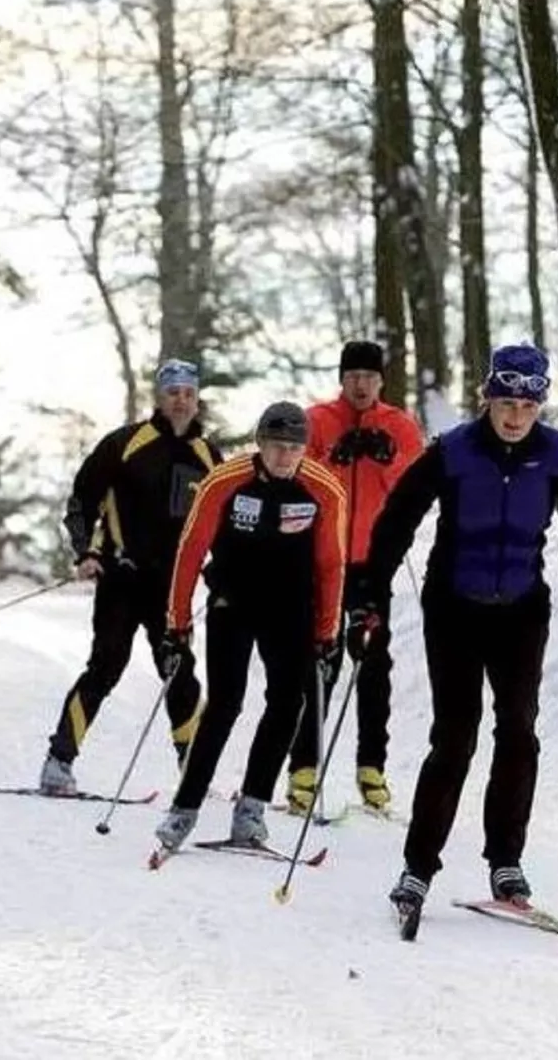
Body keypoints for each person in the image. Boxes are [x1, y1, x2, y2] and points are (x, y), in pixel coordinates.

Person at [350, 343, 558, 915]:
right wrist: (369, 597)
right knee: (455, 737)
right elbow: (397, 519)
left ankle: (506, 861)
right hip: (453, 606)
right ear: (487, 398)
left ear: (541, 405)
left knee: (519, 732)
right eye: (505, 402)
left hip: (522, 608)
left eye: (527, 405)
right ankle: (417, 868)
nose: (515, 415)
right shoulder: (451, 452)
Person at [151, 402, 347, 852]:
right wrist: (176, 623)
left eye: (295, 448)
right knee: (224, 703)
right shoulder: (226, 480)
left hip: (292, 608)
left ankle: (252, 811)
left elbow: (332, 564)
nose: (285, 456)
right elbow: (191, 549)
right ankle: (184, 810)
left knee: (287, 704)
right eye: (277, 446)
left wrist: (327, 631)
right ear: (259, 444)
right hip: (233, 602)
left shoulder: (323, 489)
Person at [37, 358, 223, 795]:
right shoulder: (124, 443)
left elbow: (220, 524)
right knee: (106, 665)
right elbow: (81, 501)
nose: (181, 400)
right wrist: (86, 551)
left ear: (197, 400)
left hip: (172, 588)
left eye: (188, 393)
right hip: (122, 577)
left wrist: (221, 572)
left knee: (180, 672)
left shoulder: (209, 457)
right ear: (159, 397)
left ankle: (192, 771)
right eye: (173, 392)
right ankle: (58, 762)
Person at [284, 339, 424, 816]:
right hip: (322, 558)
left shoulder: (400, 425)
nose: (360, 385)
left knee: (373, 661)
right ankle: (303, 766)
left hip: (373, 562)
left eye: (369, 377)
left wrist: (386, 459)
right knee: (320, 658)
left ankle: (372, 767)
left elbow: (413, 491)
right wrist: (335, 458)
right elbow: (295, 479)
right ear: (341, 379)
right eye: (352, 377)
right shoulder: (317, 420)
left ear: (381, 380)